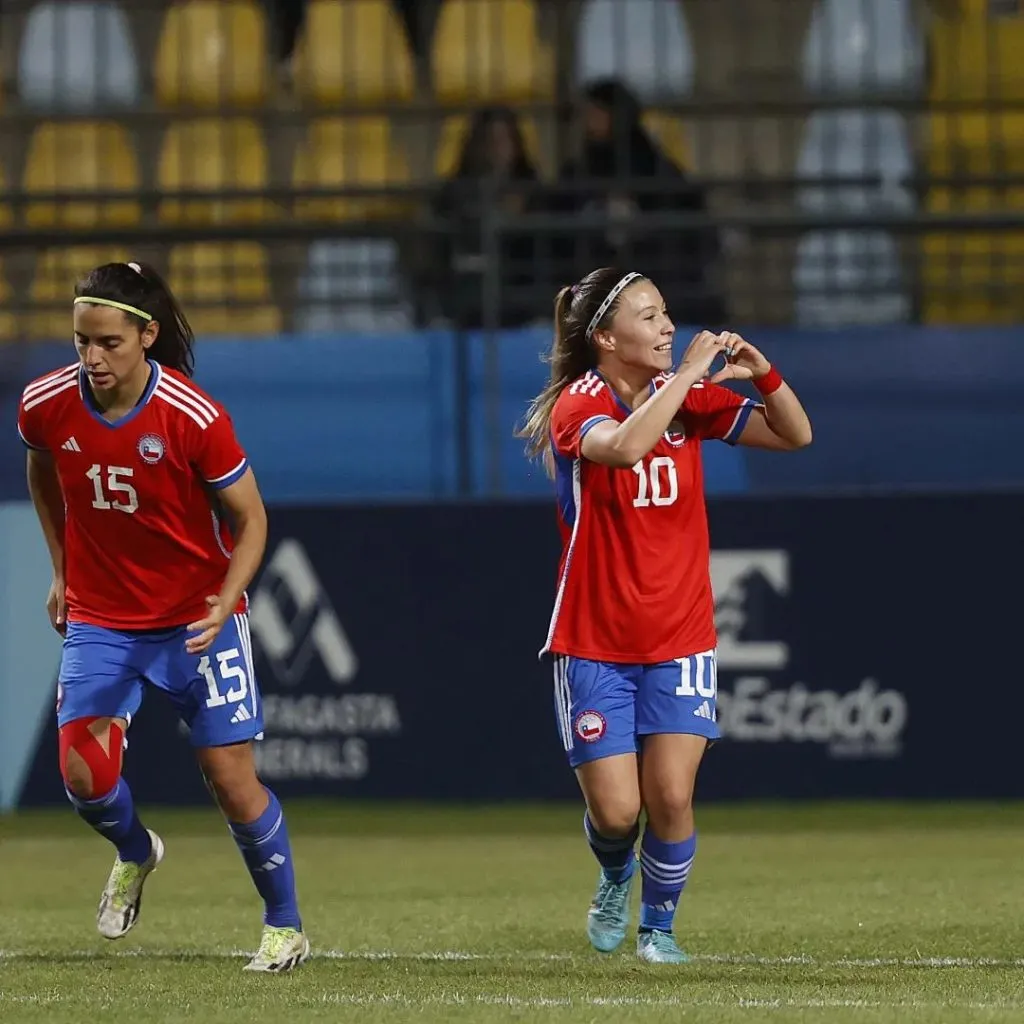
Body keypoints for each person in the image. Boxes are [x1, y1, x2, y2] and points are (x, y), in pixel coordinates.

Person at [17, 261, 309, 973]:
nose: (92, 358)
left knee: (229, 777)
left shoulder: (192, 417)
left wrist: (222, 600)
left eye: (109, 342)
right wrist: (60, 568)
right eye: (82, 341)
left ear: (146, 335)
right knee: (83, 780)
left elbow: (252, 521)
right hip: (102, 619)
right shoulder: (46, 403)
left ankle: (285, 925)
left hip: (193, 620)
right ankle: (135, 850)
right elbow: (43, 469)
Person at [517, 267, 812, 963]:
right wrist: (685, 378)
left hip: (680, 635)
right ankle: (616, 871)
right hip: (593, 639)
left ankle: (658, 929)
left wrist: (764, 373)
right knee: (617, 813)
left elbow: (795, 435)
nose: (668, 327)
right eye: (649, 317)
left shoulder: (687, 397)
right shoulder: (576, 405)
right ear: (605, 337)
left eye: (667, 313)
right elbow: (623, 447)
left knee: (672, 795)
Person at [551, 79, 725, 325]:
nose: (588, 121)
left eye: (595, 112)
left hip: (658, 280)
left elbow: (690, 224)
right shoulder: (579, 169)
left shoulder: (653, 166)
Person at [428, 105, 545, 328]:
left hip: (521, 296)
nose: (497, 148)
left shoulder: (534, 191)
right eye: (490, 141)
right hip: (467, 297)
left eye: (504, 140)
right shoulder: (452, 192)